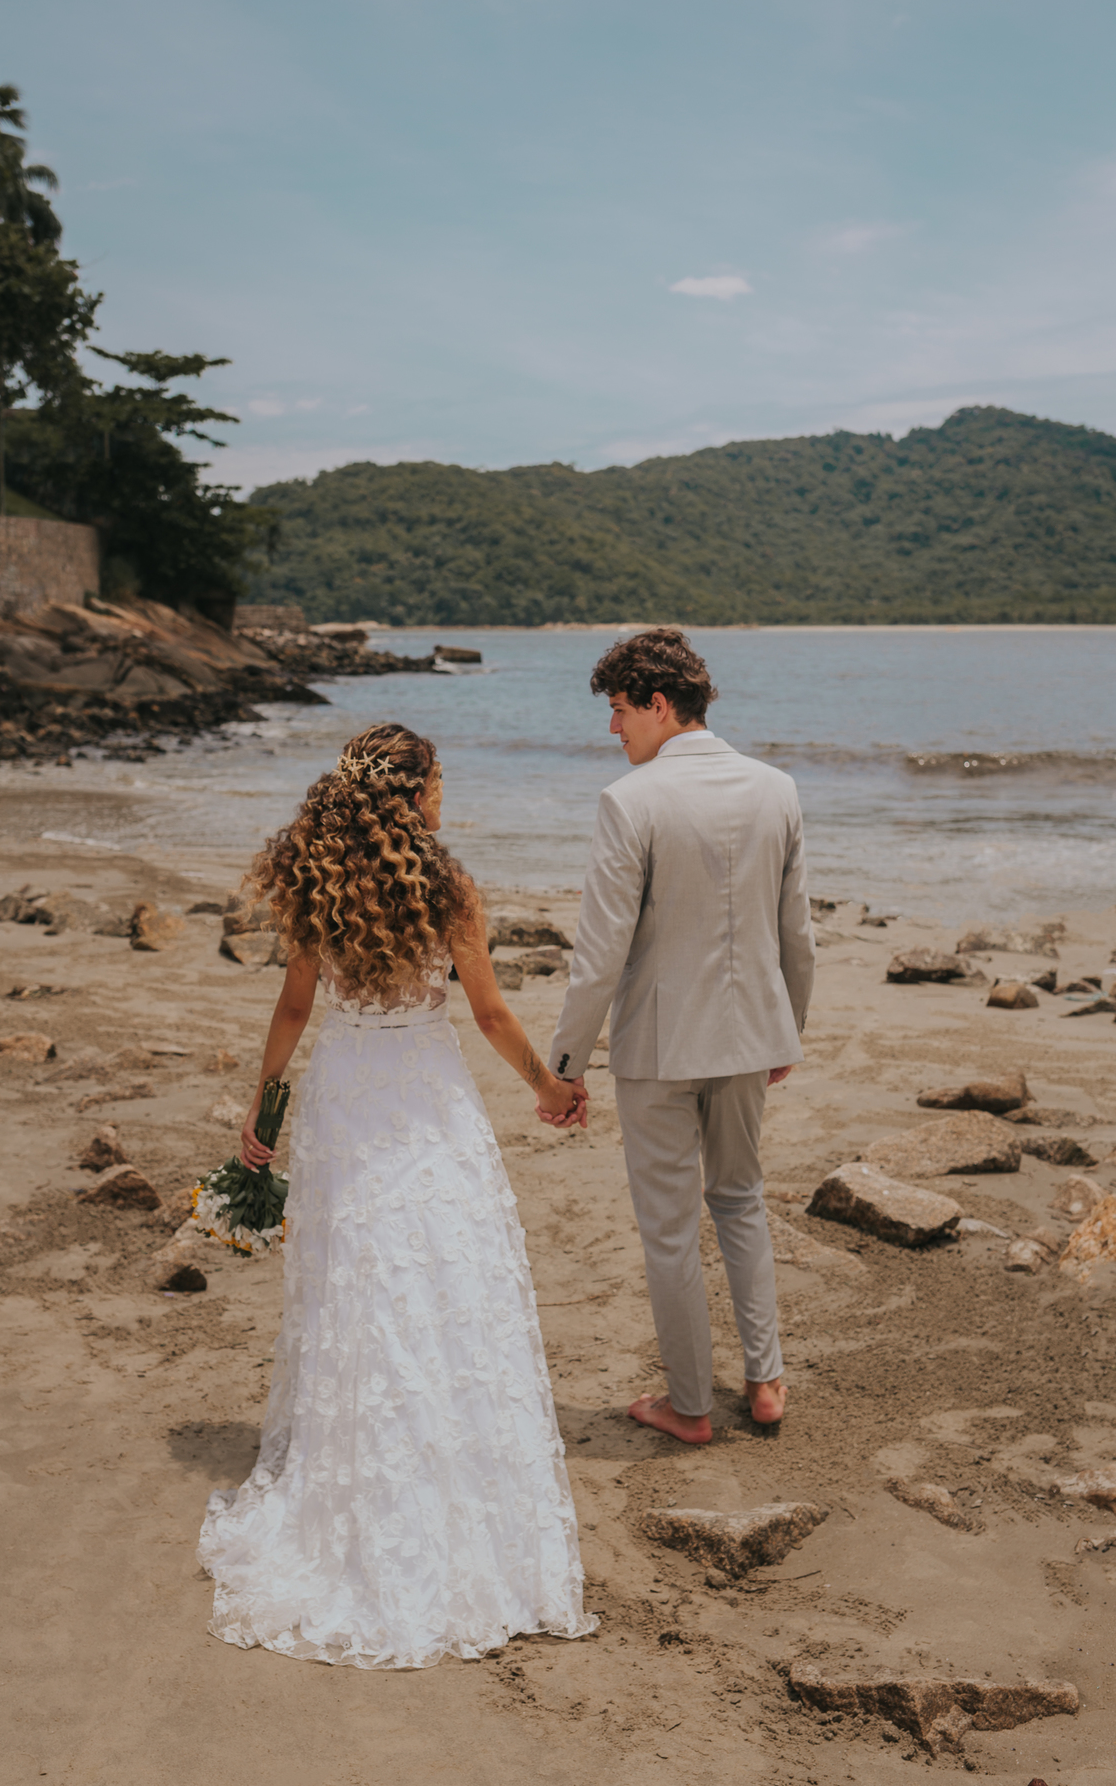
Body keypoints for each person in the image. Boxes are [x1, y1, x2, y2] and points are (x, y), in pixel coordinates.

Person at [198, 722, 596, 1667]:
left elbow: (295, 1006)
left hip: (346, 1098)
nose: (445, 796)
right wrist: (548, 1087)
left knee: (358, 1279)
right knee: (447, 1272)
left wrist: (263, 1102)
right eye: (440, 782)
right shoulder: (448, 887)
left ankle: (360, 1466)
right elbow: (489, 1012)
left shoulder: (318, 879)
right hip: (425, 1097)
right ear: (415, 794)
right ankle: (453, 1466)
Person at [545, 629, 815, 1443]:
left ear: (659, 705)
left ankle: (690, 1408)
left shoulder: (630, 801)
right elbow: (797, 936)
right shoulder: (778, 789)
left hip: (660, 1049)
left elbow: (599, 955)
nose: (613, 728)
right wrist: (786, 1034)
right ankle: (765, 1382)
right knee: (740, 1200)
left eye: (619, 710)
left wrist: (565, 1066)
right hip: (752, 1038)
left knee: (669, 1229)